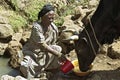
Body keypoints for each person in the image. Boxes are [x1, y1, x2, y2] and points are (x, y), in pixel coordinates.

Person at [20, 4, 66, 79]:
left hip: (45, 53)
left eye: (53, 17)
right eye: (49, 17)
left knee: (57, 48)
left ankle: (47, 69)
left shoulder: (53, 28)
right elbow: (43, 45)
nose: (51, 19)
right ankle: (35, 75)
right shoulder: (37, 28)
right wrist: (58, 54)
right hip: (33, 53)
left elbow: (52, 43)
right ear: (42, 17)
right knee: (26, 66)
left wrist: (57, 53)